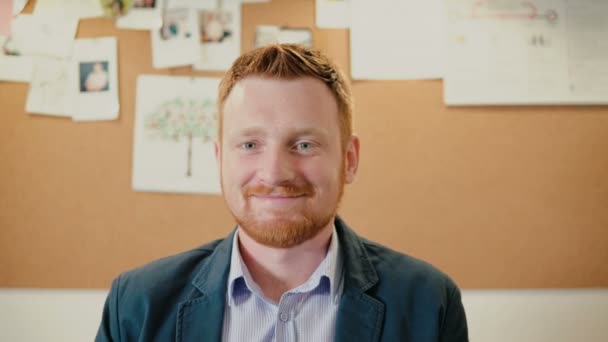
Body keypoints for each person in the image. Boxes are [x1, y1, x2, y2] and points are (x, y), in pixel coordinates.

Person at [95, 44, 468, 342]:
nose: (274, 173)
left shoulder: (429, 303)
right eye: (249, 145)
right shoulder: (137, 305)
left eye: (304, 144)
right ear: (220, 159)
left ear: (350, 159)